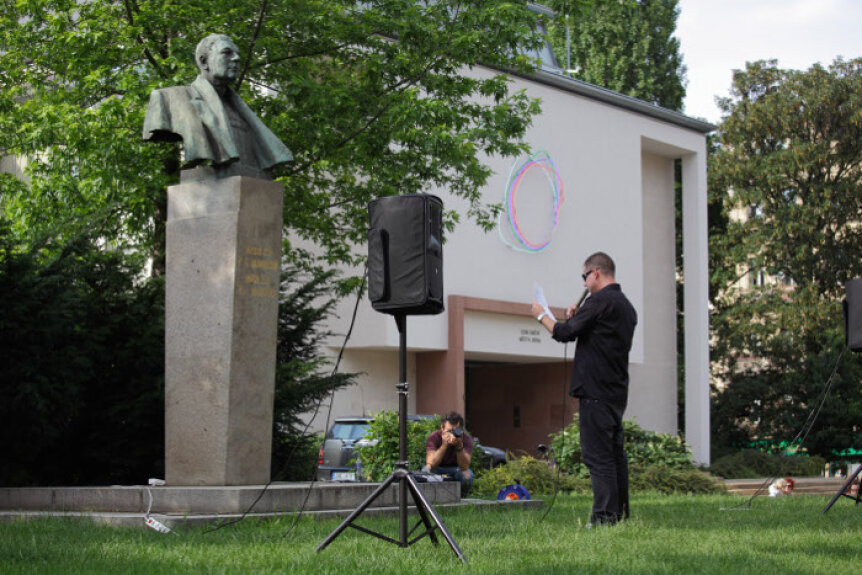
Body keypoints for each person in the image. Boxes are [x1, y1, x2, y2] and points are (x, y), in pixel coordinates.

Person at [531, 252, 637, 526]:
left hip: (594, 390)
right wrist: (580, 319)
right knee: (615, 455)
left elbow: (564, 333)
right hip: (615, 391)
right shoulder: (625, 306)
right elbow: (594, 335)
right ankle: (618, 514)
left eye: (584, 277)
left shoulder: (599, 301)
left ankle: (603, 517)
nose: (584, 283)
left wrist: (542, 315)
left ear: (596, 273)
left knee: (598, 455)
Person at [143, 33, 292, 180]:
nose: (236, 58)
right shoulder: (169, 99)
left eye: (237, 54)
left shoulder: (242, 111)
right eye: (226, 53)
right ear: (204, 62)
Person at [425, 412, 474, 497]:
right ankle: (428, 499)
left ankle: (461, 499)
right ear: (442, 428)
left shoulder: (466, 439)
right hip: (437, 468)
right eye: (449, 431)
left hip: (456, 469)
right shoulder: (434, 437)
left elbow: (464, 467)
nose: (452, 434)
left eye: (456, 431)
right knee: (425, 471)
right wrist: (444, 445)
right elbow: (431, 463)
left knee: (467, 475)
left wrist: (459, 446)